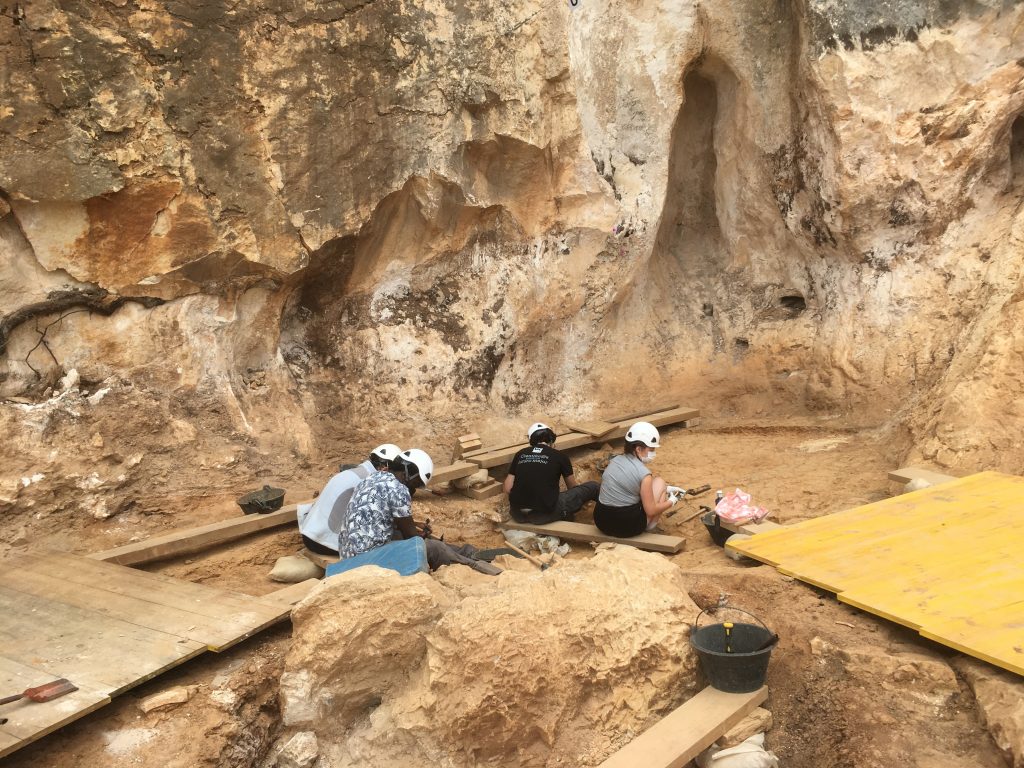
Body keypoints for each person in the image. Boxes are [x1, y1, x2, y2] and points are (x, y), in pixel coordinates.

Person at [340, 448, 501, 575]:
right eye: (416, 483)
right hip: (366, 562)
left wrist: (414, 526)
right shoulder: (399, 489)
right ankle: (472, 564)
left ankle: (467, 552)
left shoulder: (374, 477)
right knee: (433, 548)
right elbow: (412, 538)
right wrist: (421, 536)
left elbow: (386, 519)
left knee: (409, 536)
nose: (415, 488)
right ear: (407, 473)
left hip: (349, 555)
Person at [297, 443, 401, 556]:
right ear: (385, 467)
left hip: (309, 535)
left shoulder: (352, 473)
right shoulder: (370, 482)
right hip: (325, 544)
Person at [504, 422, 600, 524]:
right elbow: (572, 487)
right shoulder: (560, 456)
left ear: (531, 441)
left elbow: (508, 488)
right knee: (593, 487)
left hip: (518, 515)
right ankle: (607, 514)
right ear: (552, 440)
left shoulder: (520, 453)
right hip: (543, 516)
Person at [593, 421, 675, 537]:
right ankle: (650, 526)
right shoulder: (644, 474)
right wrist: (672, 501)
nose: (653, 453)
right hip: (627, 527)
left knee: (653, 489)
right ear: (638, 449)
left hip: (601, 521)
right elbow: (651, 510)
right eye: (651, 450)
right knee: (660, 483)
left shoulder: (614, 461)